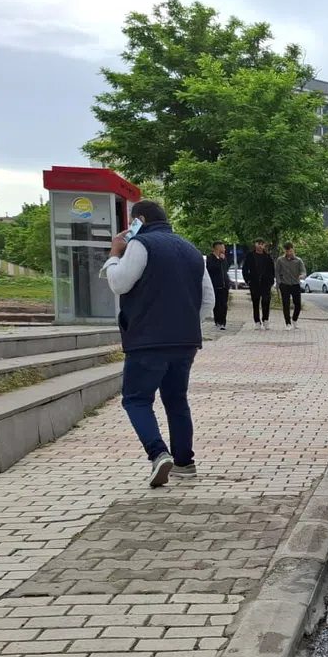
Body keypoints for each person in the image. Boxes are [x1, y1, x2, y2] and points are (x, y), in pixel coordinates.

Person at [101, 200, 214, 487]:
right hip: (185, 341)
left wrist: (115, 254)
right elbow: (208, 300)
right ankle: (185, 462)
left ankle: (158, 453)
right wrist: (186, 324)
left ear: (139, 219)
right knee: (176, 400)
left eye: (132, 222)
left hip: (148, 340)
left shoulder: (141, 244)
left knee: (136, 399)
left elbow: (119, 284)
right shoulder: (192, 250)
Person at [242, 239, 275, 329]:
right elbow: (245, 269)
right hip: (254, 283)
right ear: (255, 244)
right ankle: (257, 321)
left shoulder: (268, 257)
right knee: (255, 302)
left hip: (266, 283)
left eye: (262, 244)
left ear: (264, 245)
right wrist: (247, 280)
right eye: (258, 244)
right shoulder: (250, 256)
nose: (260, 246)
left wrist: (271, 280)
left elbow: (272, 269)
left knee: (266, 301)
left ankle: (265, 319)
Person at [274, 241, 307, 331]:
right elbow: (277, 272)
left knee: (298, 305)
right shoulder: (280, 260)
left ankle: (294, 320)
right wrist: (279, 283)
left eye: (290, 251)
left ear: (293, 250)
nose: (289, 253)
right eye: (287, 251)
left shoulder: (298, 260)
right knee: (286, 304)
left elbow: (303, 271)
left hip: (295, 284)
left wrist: (302, 275)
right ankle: (288, 323)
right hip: (284, 284)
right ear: (285, 251)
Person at [205, 241, 231, 330]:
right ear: (218, 248)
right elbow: (211, 268)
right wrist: (219, 260)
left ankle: (223, 322)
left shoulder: (223, 258)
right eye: (223, 247)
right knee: (217, 304)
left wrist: (223, 260)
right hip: (215, 285)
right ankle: (217, 322)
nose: (224, 249)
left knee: (224, 304)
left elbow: (226, 269)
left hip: (224, 285)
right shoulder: (210, 258)